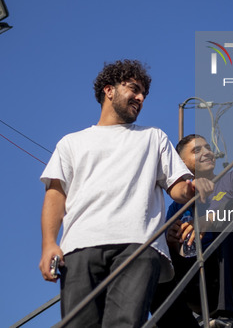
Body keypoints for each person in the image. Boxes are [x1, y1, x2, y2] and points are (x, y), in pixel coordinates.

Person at [38, 59, 195, 328]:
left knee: (123, 324)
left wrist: (191, 188)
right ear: (109, 91)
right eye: (134, 88)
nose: (141, 97)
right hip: (79, 247)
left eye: (143, 92)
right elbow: (55, 195)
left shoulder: (153, 138)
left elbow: (177, 187)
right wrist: (49, 244)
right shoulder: (71, 143)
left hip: (138, 245)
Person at [151, 134, 233, 327]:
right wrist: (172, 242)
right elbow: (177, 254)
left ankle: (229, 313)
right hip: (206, 279)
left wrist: (210, 220)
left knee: (232, 209)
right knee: (153, 264)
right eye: (197, 150)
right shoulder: (178, 207)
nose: (207, 152)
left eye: (208, 148)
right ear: (181, 163)